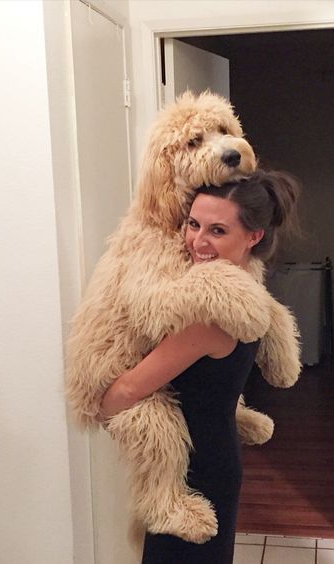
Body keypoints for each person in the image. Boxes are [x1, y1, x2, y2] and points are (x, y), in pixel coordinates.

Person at [100, 169, 300, 564]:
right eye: (193, 224)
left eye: (218, 231)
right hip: (215, 454)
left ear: (253, 236)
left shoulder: (209, 316)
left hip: (190, 473)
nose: (198, 241)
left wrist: (99, 404)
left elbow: (125, 392)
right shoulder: (247, 292)